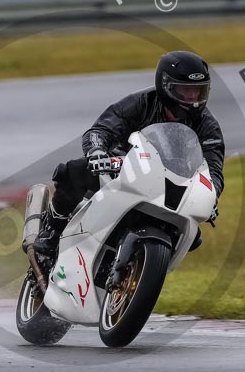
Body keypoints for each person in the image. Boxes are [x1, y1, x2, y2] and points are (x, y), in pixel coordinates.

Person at [33, 51, 225, 256]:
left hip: (170, 184)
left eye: (198, 91)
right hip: (123, 168)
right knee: (73, 171)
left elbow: (213, 169)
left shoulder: (208, 126)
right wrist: (97, 152)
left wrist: (211, 196)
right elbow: (100, 131)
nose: (193, 98)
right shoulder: (141, 102)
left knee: (192, 235)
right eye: (185, 90)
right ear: (166, 86)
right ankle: (53, 228)